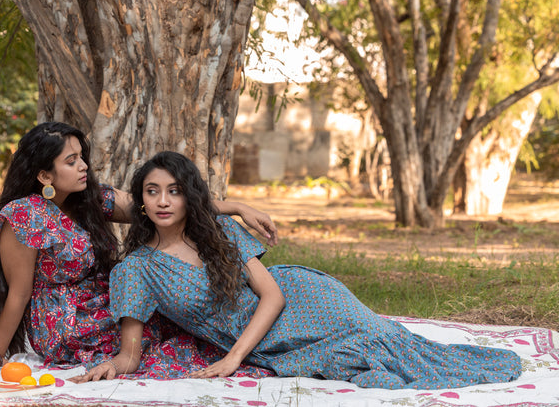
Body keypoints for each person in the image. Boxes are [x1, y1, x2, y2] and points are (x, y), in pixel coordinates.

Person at [77, 151, 522, 389]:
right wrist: (112, 368)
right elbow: (130, 354)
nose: (162, 201)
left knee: (386, 344)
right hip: (266, 340)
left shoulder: (218, 232)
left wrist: (233, 359)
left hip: (302, 300)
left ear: (189, 197)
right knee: (359, 364)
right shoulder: (135, 270)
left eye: (174, 191)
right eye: (152, 192)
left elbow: (274, 296)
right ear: (141, 201)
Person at [0, 122, 277, 377]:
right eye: (71, 161)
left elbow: (164, 205)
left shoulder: (89, 199)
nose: (83, 166)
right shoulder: (24, 215)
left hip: (109, 302)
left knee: (184, 303)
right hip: (69, 323)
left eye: (81, 157)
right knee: (176, 319)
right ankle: (249, 343)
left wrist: (236, 207)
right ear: (45, 176)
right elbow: (18, 293)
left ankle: (252, 336)